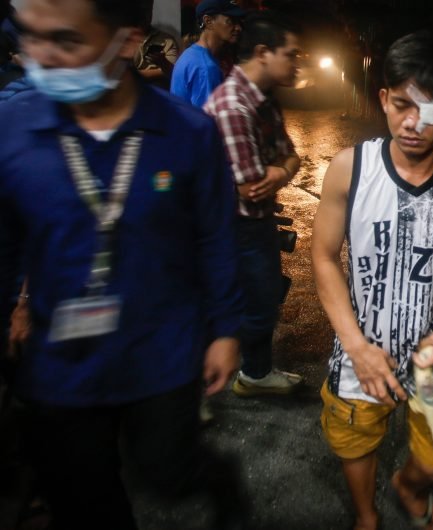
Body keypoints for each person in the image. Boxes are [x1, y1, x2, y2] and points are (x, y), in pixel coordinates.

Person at [0, 1, 245, 528]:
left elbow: (215, 236)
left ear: (128, 41)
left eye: (66, 42)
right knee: (86, 500)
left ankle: (215, 479)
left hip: (161, 351)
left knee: (166, 471)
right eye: (31, 39)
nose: (41, 59)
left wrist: (226, 329)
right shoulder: (11, 128)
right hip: (60, 366)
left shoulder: (188, 134)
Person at [312, 31, 433, 530]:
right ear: (384, 98)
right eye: (401, 104)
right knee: (355, 442)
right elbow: (323, 257)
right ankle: (367, 516)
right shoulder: (351, 168)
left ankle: (408, 488)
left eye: (429, 110)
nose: (412, 123)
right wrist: (357, 346)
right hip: (360, 352)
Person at [204, 11, 304, 395]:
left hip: (254, 220)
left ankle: (255, 373)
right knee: (245, 302)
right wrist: (280, 170)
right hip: (232, 223)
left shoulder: (263, 99)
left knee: (264, 296)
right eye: (290, 54)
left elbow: (291, 157)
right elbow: (250, 186)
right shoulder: (233, 106)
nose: (296, 63)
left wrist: (280, 173)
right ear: (263, 52)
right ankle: (209, 383)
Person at [170, 0, 243, 107]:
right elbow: (206, 118)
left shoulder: (192, 53)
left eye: (239, 22)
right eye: (230, 21)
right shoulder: (206, 67)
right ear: (208, 21)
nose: (238, 28)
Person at [133, 3, 179, 90]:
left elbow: (174, 71)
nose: (146, 16)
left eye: (149, 11)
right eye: (142, 11)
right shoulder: (123, 38)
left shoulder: (167, 40)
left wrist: (164, 63)